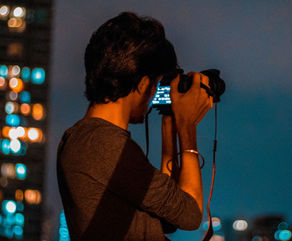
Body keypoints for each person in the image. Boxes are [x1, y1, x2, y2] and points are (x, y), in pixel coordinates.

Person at [56, 12, 213, 241]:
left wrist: (171, 122)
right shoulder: (104, 144)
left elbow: (168, 217)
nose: (154, 94)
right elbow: (190, 215)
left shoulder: (84, 139)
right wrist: (187, 125)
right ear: (142, 83)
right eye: (155, 84)